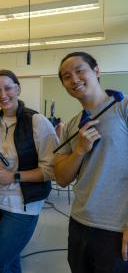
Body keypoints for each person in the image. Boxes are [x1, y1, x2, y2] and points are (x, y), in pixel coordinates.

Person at [54, 51, 128, 273]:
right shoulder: (72, 126)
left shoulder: (123, 109)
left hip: (115, 226)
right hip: (79, 223)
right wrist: (79, 151)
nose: (74, 79)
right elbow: (62, 178)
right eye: (66, 76)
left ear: (96, 71)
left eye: (79, 70)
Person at [0, 69, 58, 273]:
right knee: (9, 261)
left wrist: (14, 176)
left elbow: (51, 170)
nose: (3, 95)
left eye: (7, 88)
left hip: (21, 206)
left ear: (18, 89)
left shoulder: (37, 122)